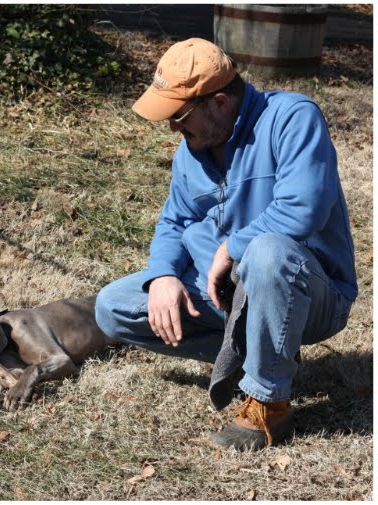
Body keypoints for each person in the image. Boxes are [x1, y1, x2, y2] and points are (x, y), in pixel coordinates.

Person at [95, 38, 357, 450]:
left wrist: (231, 247)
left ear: (219, 102)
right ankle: (262, 352)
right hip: (229, 294)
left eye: (180, 115)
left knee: (267, 251)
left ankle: (270, 401)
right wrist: (163, 274)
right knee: (113, 306)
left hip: (311, 290)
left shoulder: (291, 118)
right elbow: (175, 220)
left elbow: (303, 210)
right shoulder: (192, 150)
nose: (172, 127)